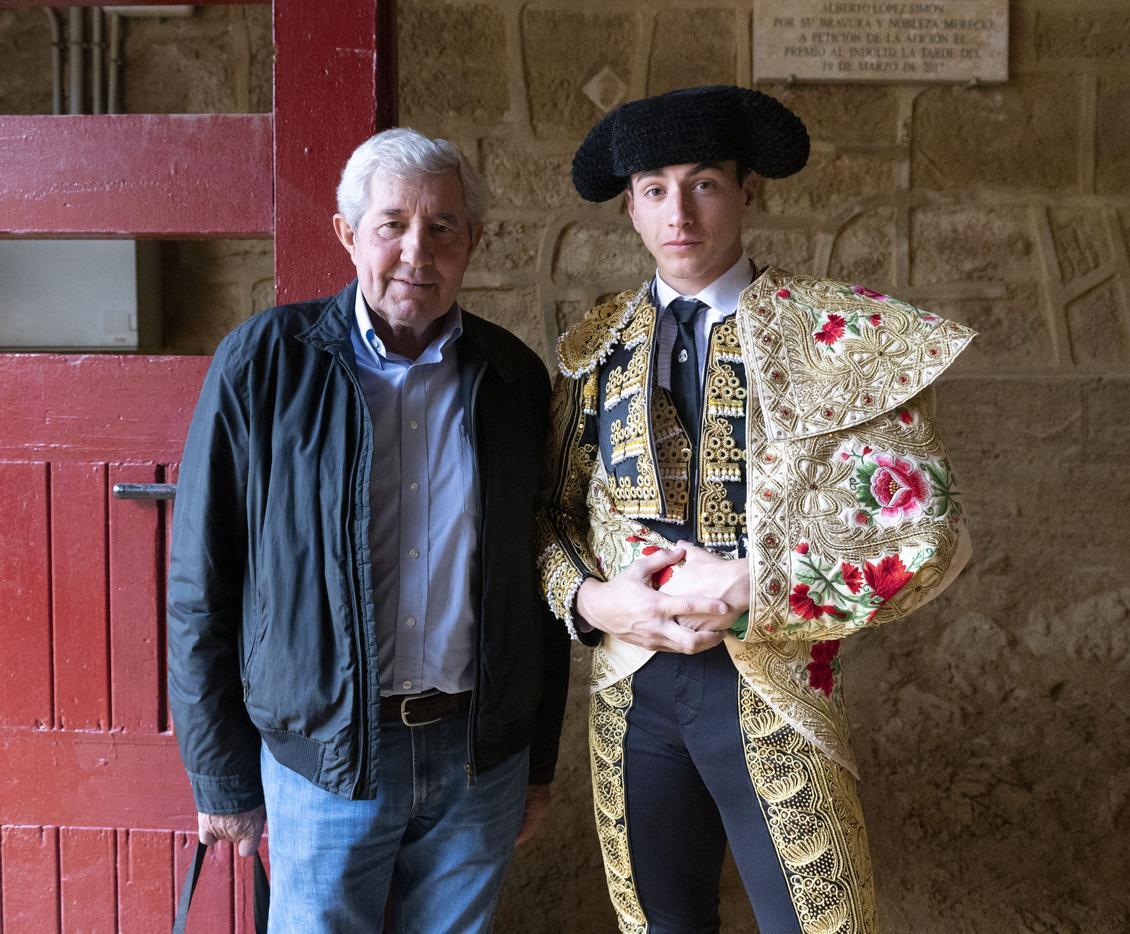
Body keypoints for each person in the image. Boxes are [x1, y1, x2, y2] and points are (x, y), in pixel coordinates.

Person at [537, 85, 976, 933]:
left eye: (703, 183)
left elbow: (929, 526)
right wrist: (595, 601)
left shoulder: (834, 336)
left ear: (749, 190)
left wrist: (753, 581)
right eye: (656, 189)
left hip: (775, 681)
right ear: (629, 206)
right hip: (632, 693)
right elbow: (546, 514)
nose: (680, 213)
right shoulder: (594, 351)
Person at [167, 127, 570, 934]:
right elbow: (200, 580)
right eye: (393, 224)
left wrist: (536, 756)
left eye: (443, 227)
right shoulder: (263, 363)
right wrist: (220, 779)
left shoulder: (514, 377)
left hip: (476, 758)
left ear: (473, 243)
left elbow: (539, 575)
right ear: (349, 235)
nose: (418, 250)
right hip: (326, 764)